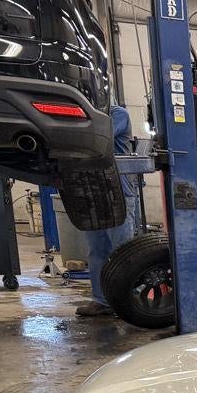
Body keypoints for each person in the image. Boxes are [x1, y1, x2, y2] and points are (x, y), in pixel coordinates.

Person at [75, 104, 142, 318]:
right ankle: (101, 301)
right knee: (97, 249)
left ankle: (127, 300)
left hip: (118, 191)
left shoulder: (117, 114)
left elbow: (96, 138)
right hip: (93, 190)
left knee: (121, 251)